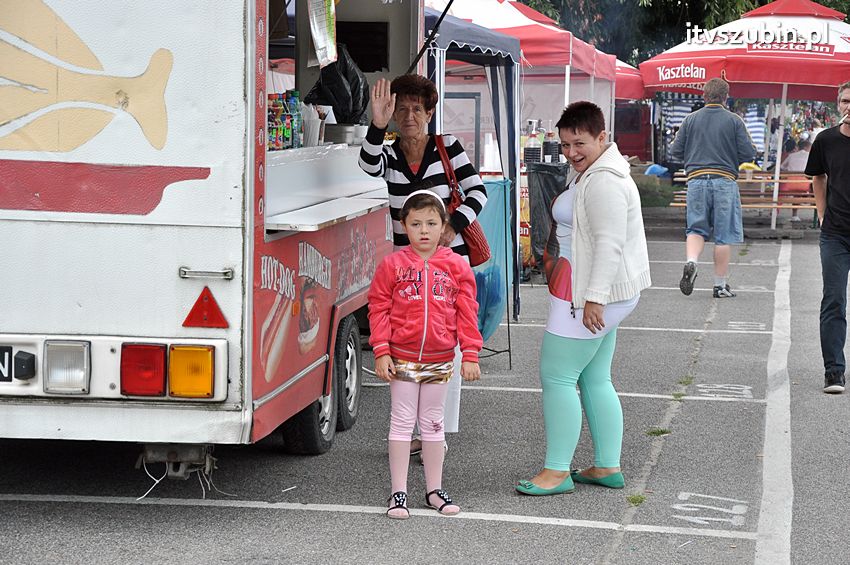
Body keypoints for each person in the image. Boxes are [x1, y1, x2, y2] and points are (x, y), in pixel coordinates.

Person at [515, 101, 651, 496]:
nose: (572, 152)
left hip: (591, 294)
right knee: (594, 377)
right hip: (600, 291)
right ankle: (607, 465)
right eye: (565, 144)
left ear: (602, 137)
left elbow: (609, 245)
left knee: (557, 376)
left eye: (580, 143)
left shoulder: (604, 180)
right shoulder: (598, 171)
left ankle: (556, 472)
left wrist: (594, 299)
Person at [359, 75, 487, 450]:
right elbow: (366, 166)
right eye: (402, 108)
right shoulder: (389, 151)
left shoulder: (447, 147)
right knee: (410, 340)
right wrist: (377, 124)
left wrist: (453, 227)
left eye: (418, 108)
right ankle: (416, 429)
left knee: (448, 344)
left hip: (449, 264)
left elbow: (477, 191)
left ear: (430, 112)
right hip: (407, 268)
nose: (410, 115)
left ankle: (437, 433)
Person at [368, 190, 483, 518]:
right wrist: (381, 351)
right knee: (402, 422)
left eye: (431, 223)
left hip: (441, 359)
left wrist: (471, 354)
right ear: (403, 225)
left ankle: (434, 490)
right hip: (401, 359)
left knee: (433, 424)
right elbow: (378, 309)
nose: (423, 230)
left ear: (443, 225)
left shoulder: (457, 267)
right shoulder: (391, 265)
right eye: (416, 223)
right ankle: (398, 493)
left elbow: (467, 312)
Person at [671, 77, 756, 298]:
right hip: (724, 181)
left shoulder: (690, 120)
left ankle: (691, 261)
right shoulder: (734, 121)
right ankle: (719, 286)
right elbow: (749, 153)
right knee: (723, 235)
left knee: (695, 229)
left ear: (704, 96)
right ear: (726, 97)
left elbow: (675, 151)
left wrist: (693, 154)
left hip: (696, 181)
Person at [805, 80, 850, 394]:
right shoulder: (826, 140)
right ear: (839, 104)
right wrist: (822, 213)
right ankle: (834, 371)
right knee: (834, 300)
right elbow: (818, 176)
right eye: (846, 100)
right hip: (835, 233)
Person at [779, 139, 812, 223]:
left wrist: (790, 169)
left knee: (780, 190)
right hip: (804, 184)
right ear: (806, 147)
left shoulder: (791, 155)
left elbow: (782, 167)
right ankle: (816, 214)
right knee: (814, 187)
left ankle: (775, 211)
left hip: (789, 184)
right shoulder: (811, 156)